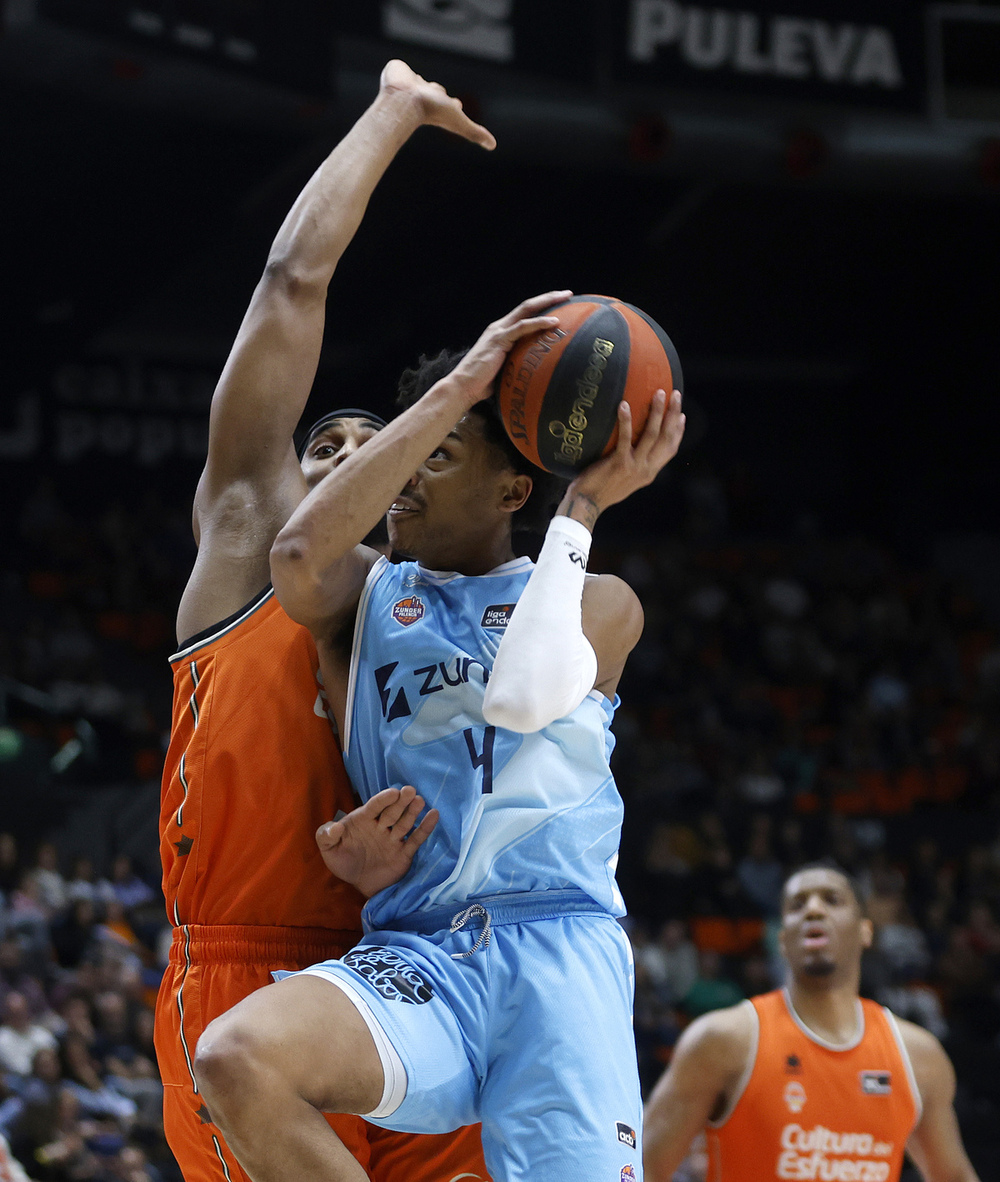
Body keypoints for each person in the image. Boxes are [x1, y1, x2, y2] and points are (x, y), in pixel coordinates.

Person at [189, 257, 686, 1180]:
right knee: (236, 1057)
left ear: (510, 493)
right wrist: (460, 384)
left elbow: (521, 698)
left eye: (440, 456)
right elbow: (296, 546)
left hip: (558, 952)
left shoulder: (602, 600)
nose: (405, 477)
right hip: (421, 951)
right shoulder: (366, 596)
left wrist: (581, 502)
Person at [154, 58, 495, 1182]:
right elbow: (290, 282)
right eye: (323, 448)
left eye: (376, 446)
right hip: (250, 977)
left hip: (413, 978)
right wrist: (391, 114)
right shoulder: (250, 545)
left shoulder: (436, 615)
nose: (351, 457)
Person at [643, 863, 981, 1182]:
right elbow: (638, 1167)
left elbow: (954, 1175)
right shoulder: (724, 1039)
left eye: (832, 900)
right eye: (797, 905)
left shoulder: (918, 1057)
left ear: (866, 931)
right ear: (782, 939)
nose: (813, 910)